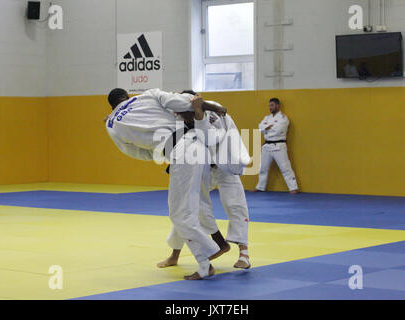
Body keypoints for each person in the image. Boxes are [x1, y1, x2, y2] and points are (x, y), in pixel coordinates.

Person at [105, 88, 227, 280]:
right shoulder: (147, 95)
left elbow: (133, 152)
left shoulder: (112, 124)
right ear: (127, 96)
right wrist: (200, 105)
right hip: (199, 145)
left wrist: (158, 151)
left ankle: (208, 255)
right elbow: (179, 103)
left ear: (111, 105)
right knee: (192, 208)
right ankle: (206, 261)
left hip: (181, 152)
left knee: (179, 214)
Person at [158, 93, 251, 270]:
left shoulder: (212, 114)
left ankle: (244, 254)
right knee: (185, 207)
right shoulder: (180, 118)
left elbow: (211, 137)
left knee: (236, 205)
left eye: (185, 112)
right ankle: (175, 254)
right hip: (204, 169)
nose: (183, 116)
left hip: (226, 165)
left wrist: (201, 116)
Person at [253, 98, 299, 194]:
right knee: (263, 168)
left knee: (285, 167)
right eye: (269, 105)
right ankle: (260, 187)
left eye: (272, 105)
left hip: (279, 145)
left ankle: (293, 187)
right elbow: (260, 127)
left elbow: (277, 130)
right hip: (267, 146)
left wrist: (266, 130)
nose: (270, 107)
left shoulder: (283, 118)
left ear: (278, 106)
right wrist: (267, 128)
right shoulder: (267, 118)